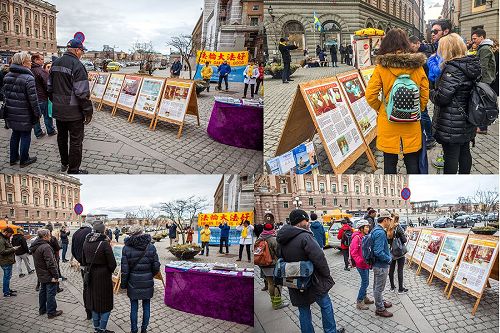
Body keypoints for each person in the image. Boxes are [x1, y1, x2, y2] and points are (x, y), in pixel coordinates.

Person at [365, 28, 429, 174]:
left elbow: (370, 95)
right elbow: (425, 93)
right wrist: (416, 108)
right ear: (406, 44)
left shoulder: (382, 67)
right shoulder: (417, 66)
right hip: (411, 121)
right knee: (412, 162)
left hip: (389, 121)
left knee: (389, 162)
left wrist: (383, 108)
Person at [277, 210, 345, 333]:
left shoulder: (282, 239)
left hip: (294, 281)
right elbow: (319, 258)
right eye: (306, 220)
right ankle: (331, 331)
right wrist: (326, 275)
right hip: (313, 280)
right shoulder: (305, 236)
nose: (308, 222)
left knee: (303, 310)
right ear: (299, 221)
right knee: (326, 305)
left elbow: (280, 258)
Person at [430, 33, 481, 174]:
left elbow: (442, 98)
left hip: (452, 122)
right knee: (465, 151)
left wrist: (430, 92)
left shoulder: (452, 69)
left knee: (451, 156)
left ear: (447, 49)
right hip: (467, 118)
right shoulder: (469, 64)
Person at [49, 38, 93, 174]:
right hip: (74, 112)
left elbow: (49, 87)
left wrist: (56, 102)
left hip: (59, 109)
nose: (82, 54)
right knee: (75, 141)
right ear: (76, 50)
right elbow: (82, 92)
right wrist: (88, 111)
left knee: (61, 137)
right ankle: (73, 170)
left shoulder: (55, 63)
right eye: (82, 51)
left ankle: (64, 163)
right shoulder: (77, 65)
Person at [3, 51, 41, 167]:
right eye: (29, 61)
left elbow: (4, 95)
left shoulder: (7, 75)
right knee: (25, 135)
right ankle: (24, 159)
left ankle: (13, 158)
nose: (30, 63)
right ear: (23, 63)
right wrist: (38, 113)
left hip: (11, 112)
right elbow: (33, 100)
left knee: (15, 134)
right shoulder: (28, 78)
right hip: (25, 113)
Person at [121, 225, 160, 333]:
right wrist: (150, 275)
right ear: (142, 232)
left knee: (134, 307)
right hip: (147, 281)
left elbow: (124, 270)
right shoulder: (151, 246)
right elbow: (156, 266)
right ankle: (144, 329)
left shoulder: (126, 248)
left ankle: (134, 330)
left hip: (133, 282)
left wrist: (123, 285)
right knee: (146, 306)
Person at [82, 221, 117, 333]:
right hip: (103, 276)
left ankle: (97, 328)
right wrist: (108, 270)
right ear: (103, 230)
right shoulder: (104, 243)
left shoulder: (86, 242)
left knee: (94, 303)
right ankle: (101, 329)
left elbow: (83, 260)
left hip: (90, 274)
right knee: (106, 304)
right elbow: (112, 264)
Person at [30, 229, 63, 318]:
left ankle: (42, 310)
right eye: (49, 235)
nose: (50, 236)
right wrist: (56, 275)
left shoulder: (36, 245)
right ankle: (51, 312)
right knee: (50, 293)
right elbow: (51, 263)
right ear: (45, 237)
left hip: (41, 273)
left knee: (43, 292)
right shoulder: (46, 247)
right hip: (48, 274)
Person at [256, 223, 289, 310]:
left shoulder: (259, 238)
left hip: (263, 264)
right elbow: (279, 253)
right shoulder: (273, 239)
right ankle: (277, 303)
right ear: (273, 228)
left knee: (270, 283)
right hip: (273, 265)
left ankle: (273, 301)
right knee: (278, 283)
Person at [471, 29, 497, 134]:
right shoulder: (484, 47)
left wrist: (478, 79)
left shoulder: (485, 48)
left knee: (483, 102)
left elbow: (483, 67)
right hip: (486, 79)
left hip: (484, 80)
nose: (473, 41)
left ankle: (482, 127)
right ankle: (482, 126)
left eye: (475, 38)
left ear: (482, 37)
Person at [371, 211, 394, 317]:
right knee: (379, 287)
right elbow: (378, 251)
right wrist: (388, 259)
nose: (390, 222)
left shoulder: (376, 229)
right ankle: (380, 309)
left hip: (377, 264)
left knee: (377, 286)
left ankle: (381, 301)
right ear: (385, 220)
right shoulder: (380, 232)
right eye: (390, 220)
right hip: (381, 265)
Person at [71, 219, 94, 320]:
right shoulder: (90, 232)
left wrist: (80, 260)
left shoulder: (76, 232)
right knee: (92, 288)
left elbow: (72, 250)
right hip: (90, 265)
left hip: (82, 265)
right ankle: (93, 310)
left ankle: (88, 312)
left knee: (85, 288)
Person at [350, 220, 374, 310]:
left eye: (368, 227)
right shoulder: (357, 238)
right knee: (365, 282)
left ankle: (364, 297)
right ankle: (359, 301)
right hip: (361, 265)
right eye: (366, 227)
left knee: (365, 282)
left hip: (366, 264)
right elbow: (353, 252)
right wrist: (360, 261)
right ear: (361, 228)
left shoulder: (364, 236)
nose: (368, 228)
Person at [31, 53, 56, 139]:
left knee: (36, 116)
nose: (43, 61)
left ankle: (38, 133)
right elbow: (47, 85)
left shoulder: (29, 70)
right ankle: (50, 130)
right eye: (41, 59)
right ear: (36, 60)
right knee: (47, 115)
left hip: (32, 97)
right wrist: (50, 96)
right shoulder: (41, 71)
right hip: (42, 97)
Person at [387, 214, 408, 294]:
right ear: (397, 219)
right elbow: (404, 240)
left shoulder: (388, 228)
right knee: (400, 270)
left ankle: (392, 287)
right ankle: (400, 289)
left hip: (391, 252)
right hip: (399, 252)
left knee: (391, 270)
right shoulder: (398, 228)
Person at [0, 227, 19, 297]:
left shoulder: (5, 238)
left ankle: (7, 289)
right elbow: (2, 252)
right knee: (6, 277)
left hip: (7, 261)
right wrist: (13, 249)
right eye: (10, 234)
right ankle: (6, 292)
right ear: (6, 232)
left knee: (8, 276)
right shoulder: (1, 240)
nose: (11, 236)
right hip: (5, 261)